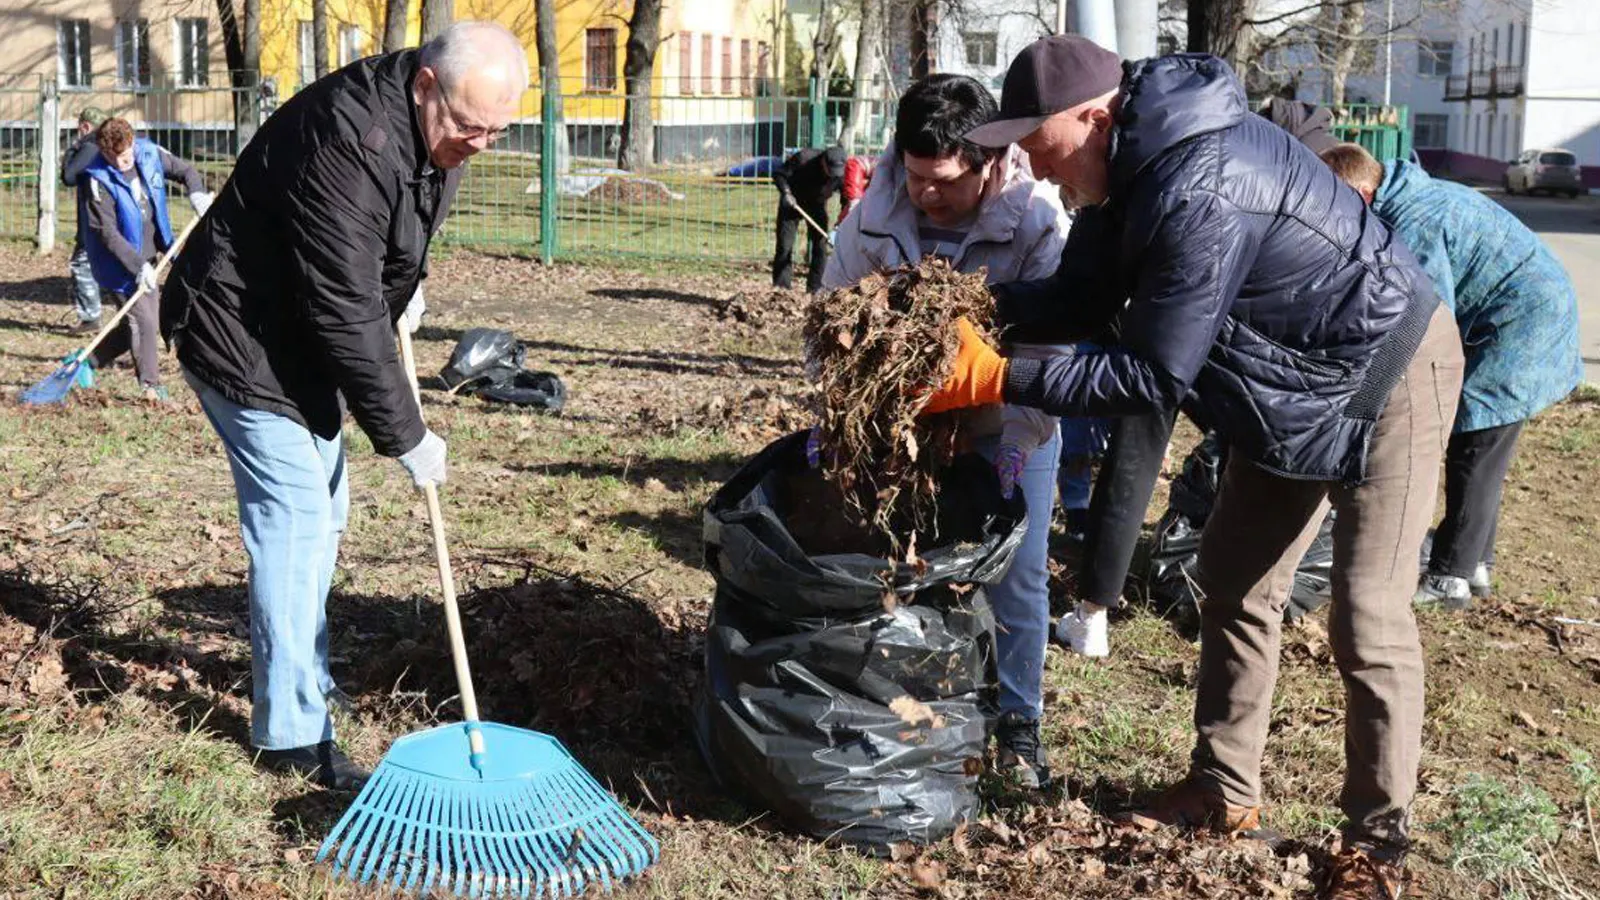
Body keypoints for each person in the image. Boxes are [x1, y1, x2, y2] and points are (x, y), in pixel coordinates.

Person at [922, 36, 1462, 899]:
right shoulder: (1128, 172)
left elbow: (1151, 374)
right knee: (1235, 580)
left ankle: (1377, 845)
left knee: (1367, 614)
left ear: (1093, 118)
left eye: (1036, 140)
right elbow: (1078, 300)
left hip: (1386, 372)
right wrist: (966, 310)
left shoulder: (1199, 183)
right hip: (1291, 381)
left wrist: (999, 376)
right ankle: (1223, 790)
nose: (1031, 162)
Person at [160, 21, 528, 789]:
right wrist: (407, 434)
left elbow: (394, 221)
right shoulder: (349, 139)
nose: (480, 144)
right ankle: (291, 736)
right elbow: (344, 308)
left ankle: (308, 676)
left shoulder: (433, 126)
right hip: (238, 329)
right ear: (425, 85)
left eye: (496, 131)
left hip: (294, 334)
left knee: (326, 512)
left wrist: (407, 281)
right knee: (295, 518)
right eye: (470, 126)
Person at [821, 73, 1070, 789]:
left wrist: (1013, 438)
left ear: (988, 162)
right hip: (901, 426)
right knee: (903, 561)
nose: (927, 194)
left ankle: (1018, 722)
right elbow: (832, 321)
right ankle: (915, 708)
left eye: (946, 181)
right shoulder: (873, 217)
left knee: (1017, 574)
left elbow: (1051, 353)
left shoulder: (1037, 222)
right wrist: (843, 411)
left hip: (1007, 424)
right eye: (916, 175)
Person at [1313, 141, 1582, 609]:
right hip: (1520, 315)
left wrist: (1366, 397)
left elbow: (1423, 319)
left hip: (1523, 326)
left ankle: (1450, 578)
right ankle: (1475, 563)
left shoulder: (1416, 223)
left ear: (1361, 193)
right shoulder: (1407, 197)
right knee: (1481, 447)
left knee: (1475, 445)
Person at [78, 117, 210, 401]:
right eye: (115, 158)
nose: (122, 163)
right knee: (145, 321)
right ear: (104, 153)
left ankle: (87, 362)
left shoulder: (149, 153)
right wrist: (138, 266)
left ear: (133, 144)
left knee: (135, 323)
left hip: (151, 251)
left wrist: (197, 194)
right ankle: (151, 385)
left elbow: (186, 171)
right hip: (117, 262)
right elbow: (107, 233)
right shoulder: (96, 179)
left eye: (126, 156)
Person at [772, 145, 845, 291]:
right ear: (823, 161)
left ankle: (815, 288)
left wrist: (840, 224)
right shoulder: (803, 159)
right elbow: (779, 174)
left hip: (817, 204)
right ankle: (781, 288)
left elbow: (846, 199)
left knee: (821, 246)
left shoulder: (841, 173)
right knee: (784, 246)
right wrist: (786, 193)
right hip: (792, 203)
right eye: (830, 170)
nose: (832, 176)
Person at [62, 107, 108, 332]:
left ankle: (91, 318)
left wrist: (72, 148)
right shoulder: (106, 146)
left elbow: (68, 177)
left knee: (82, 263)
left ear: (85, 126)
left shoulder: (89, 147)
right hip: (104, 214)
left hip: (93, 216)